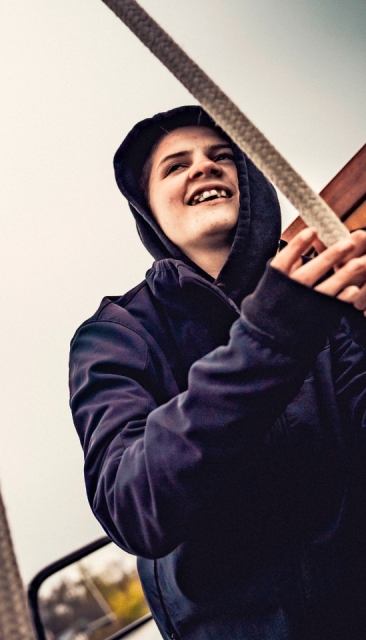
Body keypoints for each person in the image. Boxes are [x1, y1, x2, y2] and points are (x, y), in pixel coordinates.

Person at [68, 105, 366, 639]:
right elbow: (134, 505)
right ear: (150, 210)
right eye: (174, 166)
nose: (203, 167)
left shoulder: (328, 292)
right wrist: (272, 337)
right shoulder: (116, 335)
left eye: (221, 156)